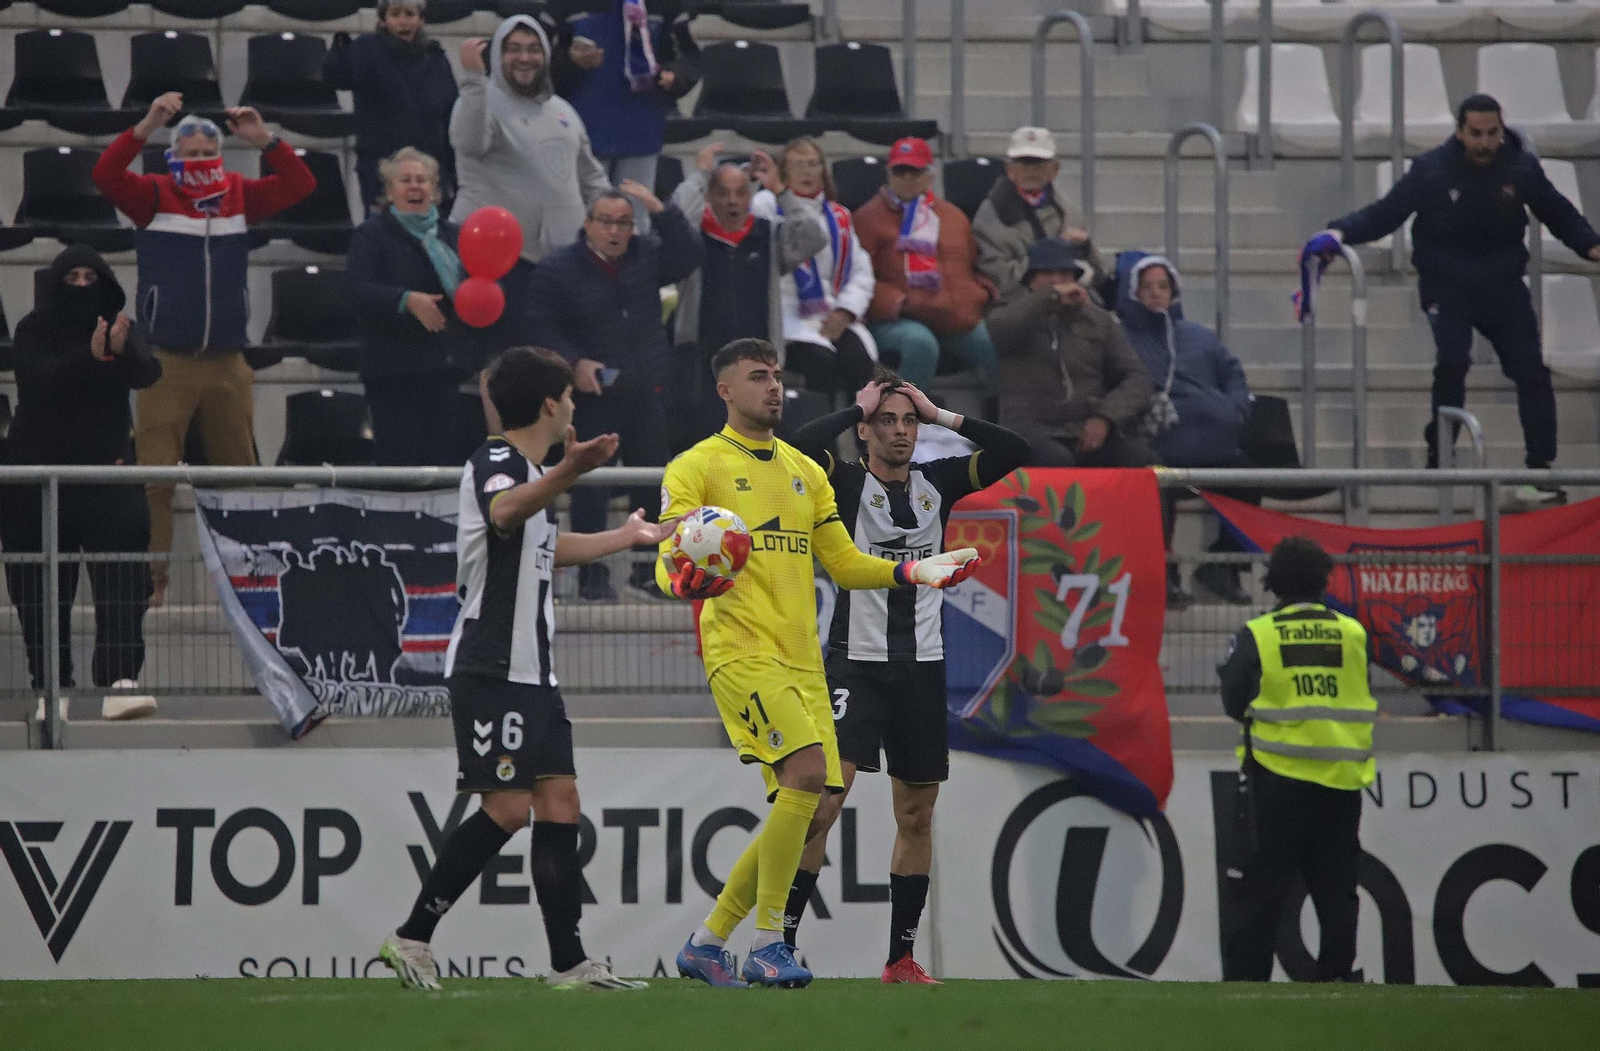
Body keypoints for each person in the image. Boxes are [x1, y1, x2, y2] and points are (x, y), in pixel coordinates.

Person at [660, 338, 981, 988]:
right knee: (809, 776)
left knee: (802, 801)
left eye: (776, 376)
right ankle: (769, 942)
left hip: (804, 664)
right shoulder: (697, 467)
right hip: (741, 653)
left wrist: (917, 568)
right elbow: (673, 559)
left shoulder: (807, 470)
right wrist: (684, 578)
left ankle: (706, 939)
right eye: (757, 377)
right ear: (725, 391)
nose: (773, 387)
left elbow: (844, 562)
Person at [379, 346, 673, 992]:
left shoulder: (532, 473)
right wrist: (570, 469)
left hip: (534, 669)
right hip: (492, 664)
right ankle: (412, 936)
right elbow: (505, 512)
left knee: (559, 801)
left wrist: (625, 537)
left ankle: (569, 963)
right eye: (569, 394)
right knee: (508, 808)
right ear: (550, 403)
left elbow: (546, 544)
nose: (575, 403)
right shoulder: (497, 462)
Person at [783, 371, 1030, 983]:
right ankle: (779, 944)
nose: (900, 432)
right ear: (866, 430)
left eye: (908, 421)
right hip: (854, 665)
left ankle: (899, 959)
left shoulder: (937, 482)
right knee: (821, 806)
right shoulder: (840, 482)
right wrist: (851, 407)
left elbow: (1015, 452)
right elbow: (791, 450)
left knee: (916, 815)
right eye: (887, 421)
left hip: (922, 667)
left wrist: (942, 415)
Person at [92, 94, 316, 609]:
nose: (198, 164)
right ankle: (152, 582)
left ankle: (252, 580)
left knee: (240, 474)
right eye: (188, 155)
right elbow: (104, 174)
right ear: (173, 157)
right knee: (155, 478)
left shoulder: (240, 194)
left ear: (220, 157)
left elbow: (303, 185)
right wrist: (146, 124)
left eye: (206, 155)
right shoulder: (151, 195)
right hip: (165, 362)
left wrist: (264, 140)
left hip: (227, 363)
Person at [1323, 94, 1600, 504]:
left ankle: (1540, 468)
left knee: (1532, 372)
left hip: (1503, 285)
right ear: (1459, 131)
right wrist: (1339, 232)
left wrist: (1591, 246)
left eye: (1492, 134)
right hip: (1446, 283)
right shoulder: (1432, 170)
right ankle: (1441, 453)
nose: (1485, 143)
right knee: (1453, 359)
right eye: (1476, 134)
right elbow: (1387, 212)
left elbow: (1558, 212)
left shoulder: (1520, 167)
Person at [1, 246, 163, 723]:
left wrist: (117, 350)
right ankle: (52, 687)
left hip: (105, 475)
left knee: (122, 581)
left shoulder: (119, 326)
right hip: (39, 483)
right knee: (41, 591)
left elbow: (148, 373)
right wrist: (89, 358)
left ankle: (120, 680)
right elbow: (36, 381)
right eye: (71, 276)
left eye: (91, 276)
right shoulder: (34, 329)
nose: (81, 285)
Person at [991, 239, 1191, 607]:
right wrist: (1047, 299)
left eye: (1066, 274)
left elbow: (1137, 378)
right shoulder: (1011, 311)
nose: (1060, 281)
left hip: (1088, 429)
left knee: (1152, 472)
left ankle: (1157, 574)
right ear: (1031, 280)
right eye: (1049, 275)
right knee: (1058, 469)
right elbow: (1000, 332)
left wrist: (1105, 417)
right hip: (1031, 430)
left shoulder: (1097, 320)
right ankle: (1058, 579)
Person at [528, 183, 704, 601]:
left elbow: (689, 255)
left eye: (623, 222)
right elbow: (538, 327)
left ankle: (649, 571)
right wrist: (575, 364)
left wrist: (661, 210)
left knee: (652, 480)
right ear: (587, 224)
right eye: (605, 221)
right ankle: (592, 574)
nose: (614, 231)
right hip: (593, 396)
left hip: (648, 390)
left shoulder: (646, 256)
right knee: (593, 486)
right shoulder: (557, 269)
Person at [1216, 536, 1377, 982]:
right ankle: (1337, 982)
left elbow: (1233, 702)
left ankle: (1248, 988)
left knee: (1261, 891)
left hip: (1277, 780)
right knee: (1336, 892)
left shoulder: (1259, 634)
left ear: (1273, 582)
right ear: (1324, 580)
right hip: (1341, 781)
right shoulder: (1353, 632)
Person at [1116, 252, 1256, 606]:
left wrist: (1233, 410)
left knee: (1250, 476)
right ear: (1133, 292)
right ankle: (1165, 573)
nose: (1155, 294)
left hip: (1215, 446)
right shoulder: (1119, 337)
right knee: (1153, 482)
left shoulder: (1200, 337)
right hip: (1162, 449)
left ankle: (1224, 568)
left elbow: (1234, 376)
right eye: (1146, 287)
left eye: (1163, 286)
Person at [671, 142, 827, 448]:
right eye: (723, 193)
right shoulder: (693, 239)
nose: (732, 201)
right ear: (709, 197)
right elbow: (673, 217)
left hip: (759, 359)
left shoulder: (767, 235)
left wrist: (781, 190)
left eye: (741, 193)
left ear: (751, 197)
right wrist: (699, 174)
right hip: (703, 363)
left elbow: (814, 234)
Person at [346, 148, 484, 466]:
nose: (415, 187)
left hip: (445, 369)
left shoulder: (454, 236)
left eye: (422, 180)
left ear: (435, 191)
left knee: (445, 462)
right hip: (393, 371)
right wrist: (406, 300)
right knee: (402, 464)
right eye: (405, 180)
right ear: (390, 191)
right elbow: (355, 291)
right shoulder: (372, 235)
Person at [450, 14, 612, 264]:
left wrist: (612, 216)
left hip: (565, 258)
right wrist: (473, 81)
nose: (524, 58)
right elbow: (469, 144)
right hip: (501, 259)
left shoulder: (563, 110)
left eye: (533, 50)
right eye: (513, 50)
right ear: (497, 56)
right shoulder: (478, 103)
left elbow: (591, 177)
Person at [852, 138, 999, 391]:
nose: (908, 178)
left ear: (930, 175)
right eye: (900, 171)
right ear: (888, 174)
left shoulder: (953, 216)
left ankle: (1006, 422)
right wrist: (898, 303)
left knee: (997, 346)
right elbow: (854, 277)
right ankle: (902, 416)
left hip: (953, 317)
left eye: (916, 171)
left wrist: (980, 293)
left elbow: (971, 268)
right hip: (896, 319)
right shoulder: (867, 218)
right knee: (920, 343)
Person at [549, 0, 700, 222]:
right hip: (583, 135)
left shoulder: (666, 6)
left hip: (640, 133)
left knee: (635, 226)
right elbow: (541, 59)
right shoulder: (568, 6)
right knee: (584, 223)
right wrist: (569, 60)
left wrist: (675, 75)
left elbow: (689, 57)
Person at [752, 137, 877, 395]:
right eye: (797, 165)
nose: (806, 171)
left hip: (831, 312)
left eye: (813, 164)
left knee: (861, 365)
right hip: (785, 315)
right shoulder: (765, 204)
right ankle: (820, 435)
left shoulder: (839, 216)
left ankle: (864, 436)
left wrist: (844, 312)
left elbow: (861, 272)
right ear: (783, 171)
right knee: (822, 364)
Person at [324, 0, 459, 210]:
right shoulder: (366, 49)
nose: (403, 21)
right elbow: (338, 78)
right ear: (384, 20)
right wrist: (339, 50)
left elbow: (450, 111)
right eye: (395, 14)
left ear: (421, 20)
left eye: (410, 14)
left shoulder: (435, 57)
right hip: (380, 168)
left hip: (429, 167)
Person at [973, 126, 1105, 304]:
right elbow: (997, 279)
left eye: (1039, 163)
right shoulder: (989, 216)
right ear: (1009, 169)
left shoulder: (1068, 211)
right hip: (1015, 305)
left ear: (1055, 169)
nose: (1031, 171)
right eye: (1024, 163)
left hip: (1070, 300)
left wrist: (1087, 247)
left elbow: (1099, 273)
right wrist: (1048, 257)